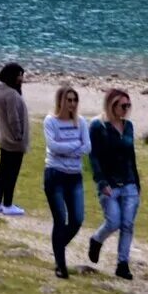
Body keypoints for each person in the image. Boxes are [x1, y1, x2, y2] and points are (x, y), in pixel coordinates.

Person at [87, 87, 142, 279]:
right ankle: (96, 240)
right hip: (109, 183)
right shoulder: (97, 126)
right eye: (122, 105)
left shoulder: (128, 126)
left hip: (129, 183)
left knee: (128, 224)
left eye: (128, 105)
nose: (126, 109)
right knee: (114, 221)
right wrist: (101, 182)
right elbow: (94, 157)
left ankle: (123, 264)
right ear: (111, 105)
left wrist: (137, 182)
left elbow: (131, 155)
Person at [41, 85, 91, 277]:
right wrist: (74, 145)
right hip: (55, 174)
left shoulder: (81, 123)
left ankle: (57, 248)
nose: (71, 104)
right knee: (60, 219)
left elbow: (87, 146)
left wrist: (68, 147)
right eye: (68, 99)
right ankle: (61, 266)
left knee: (77, 219)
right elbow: (53, 147)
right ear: (60, 101)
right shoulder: (50, 121)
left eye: (74, 100)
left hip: (74, 176)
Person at [0, 63, 29, 215]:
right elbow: (13, 118)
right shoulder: (12, 95)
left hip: (3, 137)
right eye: (20, 75)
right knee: (11, 173)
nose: (21, 78)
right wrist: (19, 136)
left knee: (2, 170)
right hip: (13, 141)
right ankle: (8, 204)